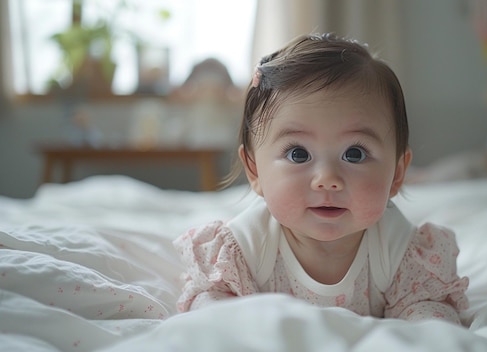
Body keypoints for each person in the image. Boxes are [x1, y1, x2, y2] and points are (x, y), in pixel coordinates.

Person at [173, 33, 469, 323]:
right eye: (298, 154)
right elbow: (208, 311)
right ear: (255, 171)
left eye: (354, 153)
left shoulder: (398, 247)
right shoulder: (247, 245)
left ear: (397, 174)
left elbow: (429, 317)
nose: (327, 179)